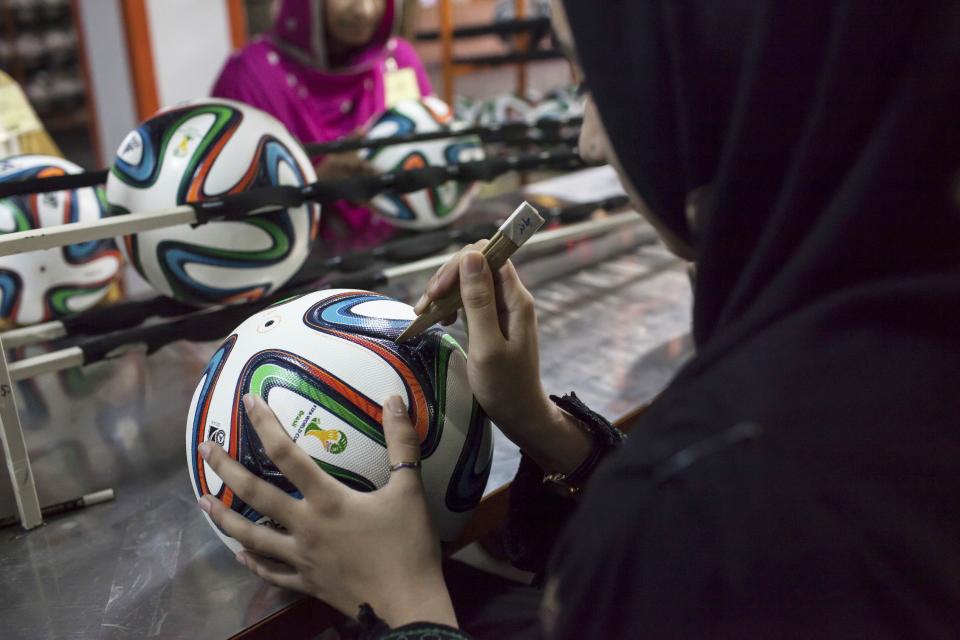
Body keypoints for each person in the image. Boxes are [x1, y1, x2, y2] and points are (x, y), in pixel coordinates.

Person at [196, 0, 960, 637]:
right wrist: (543, 425)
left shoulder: (722, 503)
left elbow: (691, 532)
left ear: (713, 82)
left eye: (597, 79)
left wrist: (403, 606)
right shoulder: (900, 328)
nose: (592, 134)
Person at [211, 0, 433, 250]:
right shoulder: (248, 79)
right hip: (296, 268)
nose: (365, 9)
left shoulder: (397, 60)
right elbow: (226, 210)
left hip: (403, 250)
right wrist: (313, 186)